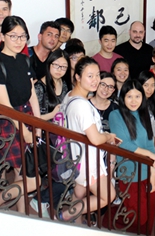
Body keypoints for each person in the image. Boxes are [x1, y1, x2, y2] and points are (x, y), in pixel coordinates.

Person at [0, 15, 42, 211]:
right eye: (13, 36)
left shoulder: (25, 60)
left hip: (28, 115)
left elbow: (32, 95)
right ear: (2, 37)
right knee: (32, 179)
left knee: (22, 173)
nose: (19, 41)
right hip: (10, 120)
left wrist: (37, 124)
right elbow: (5, 106)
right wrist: (24, 131)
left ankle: (22, 212)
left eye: (22, 36)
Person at [60, 56, 118, 221]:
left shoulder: (70, 96)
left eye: (97, 75)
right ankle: (64, 216)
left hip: (77, 156)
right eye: (90, 76)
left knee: (79, 192)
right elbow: (95, 139)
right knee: (108, 196)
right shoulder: (82, 105)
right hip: (88, 161)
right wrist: (108, 136)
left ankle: (76, 222)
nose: (95, 80)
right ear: (78, 77)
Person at [109, 80, 155, 234]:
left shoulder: (144, 114)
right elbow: (122, 143)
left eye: (137, 96)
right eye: (129, 96)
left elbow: (150, 144)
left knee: (150, 212)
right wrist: (150, 155)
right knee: (137, 216)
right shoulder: (115, 115)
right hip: (129, 173)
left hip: (147, 171)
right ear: (123, 97)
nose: (133, 101)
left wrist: (153, 172)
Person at [34, 49, 70, 121]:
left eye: (64, 67)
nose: (59, 69)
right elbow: (32, 118)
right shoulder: (39, 87)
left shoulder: (65, 83)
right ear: (49, 64)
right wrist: (52, 114)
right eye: (56, 65)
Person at [138, 70, 155, 154]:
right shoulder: (135, 104)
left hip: (151, 146)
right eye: (146, 85)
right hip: (139, 146)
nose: (149, 89)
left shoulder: (154, 103)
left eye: (152, 85)